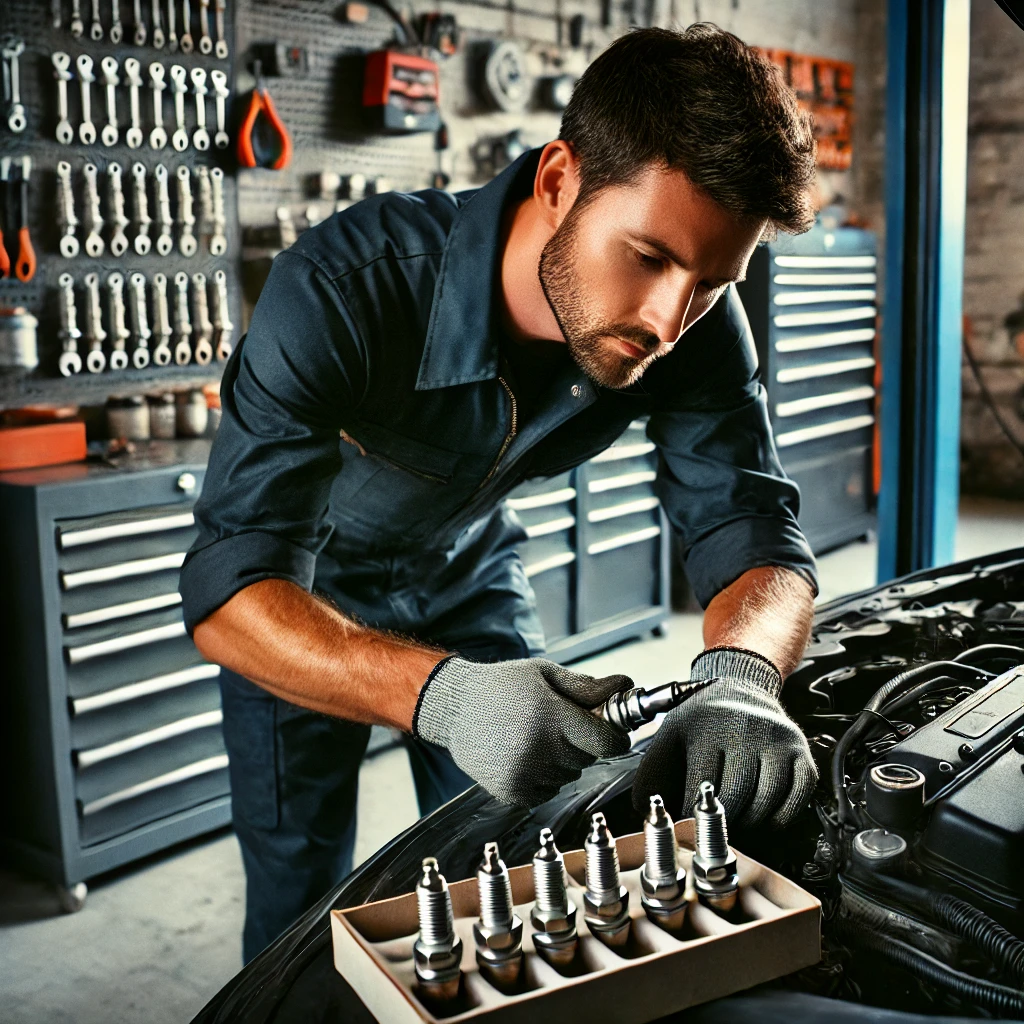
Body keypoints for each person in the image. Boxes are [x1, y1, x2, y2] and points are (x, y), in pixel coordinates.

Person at [181, 24, 820, 963]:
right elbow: (227, 593)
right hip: (303, 600)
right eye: (646, 257)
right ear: (559, 180)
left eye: (708, 283)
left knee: (512, 855)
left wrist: (746, 675)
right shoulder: (342, 288)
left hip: (467, 573)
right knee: (298, 890)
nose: (666, 321)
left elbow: (754, 526)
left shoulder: (696, 323)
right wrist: (440, 698)